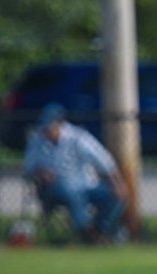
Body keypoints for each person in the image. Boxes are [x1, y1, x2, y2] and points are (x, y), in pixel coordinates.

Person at [23, 103, 128, 244]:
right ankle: (85, 231)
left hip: (85, 186)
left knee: (116, 196)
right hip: (53, 189)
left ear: (60, 123)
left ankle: (100, 232)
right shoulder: (37, 141)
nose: (46, 132)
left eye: (50, 127)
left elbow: (104, 160)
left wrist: (117, 183)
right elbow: (28, 168)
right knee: (70, 192)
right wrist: (40, 173)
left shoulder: (78, 137)